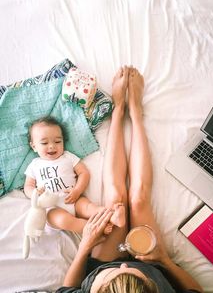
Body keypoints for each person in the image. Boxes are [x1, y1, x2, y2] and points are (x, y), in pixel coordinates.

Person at [56, 66, 203, 293]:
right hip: (153, 265)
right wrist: (164, 260)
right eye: (130, 268)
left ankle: (118, 111)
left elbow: (65, 289)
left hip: (102, 263)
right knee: (138, 199)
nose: (125, 262)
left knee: (115, 199)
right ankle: (135, 114)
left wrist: (84, 247)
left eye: (119, 269)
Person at [24, 116, 125, 233]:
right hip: (52, 207)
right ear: (34, 146)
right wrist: (35, 194)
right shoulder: (35, 165)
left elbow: (84, 173)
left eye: (57, 141)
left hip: (74, 199)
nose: (51, 146)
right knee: (64, 221)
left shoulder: (67, 156)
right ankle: (94, 228)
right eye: (44, 143)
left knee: (90, 208)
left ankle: (113, 216)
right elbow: (28, 186)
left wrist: (77, 191)